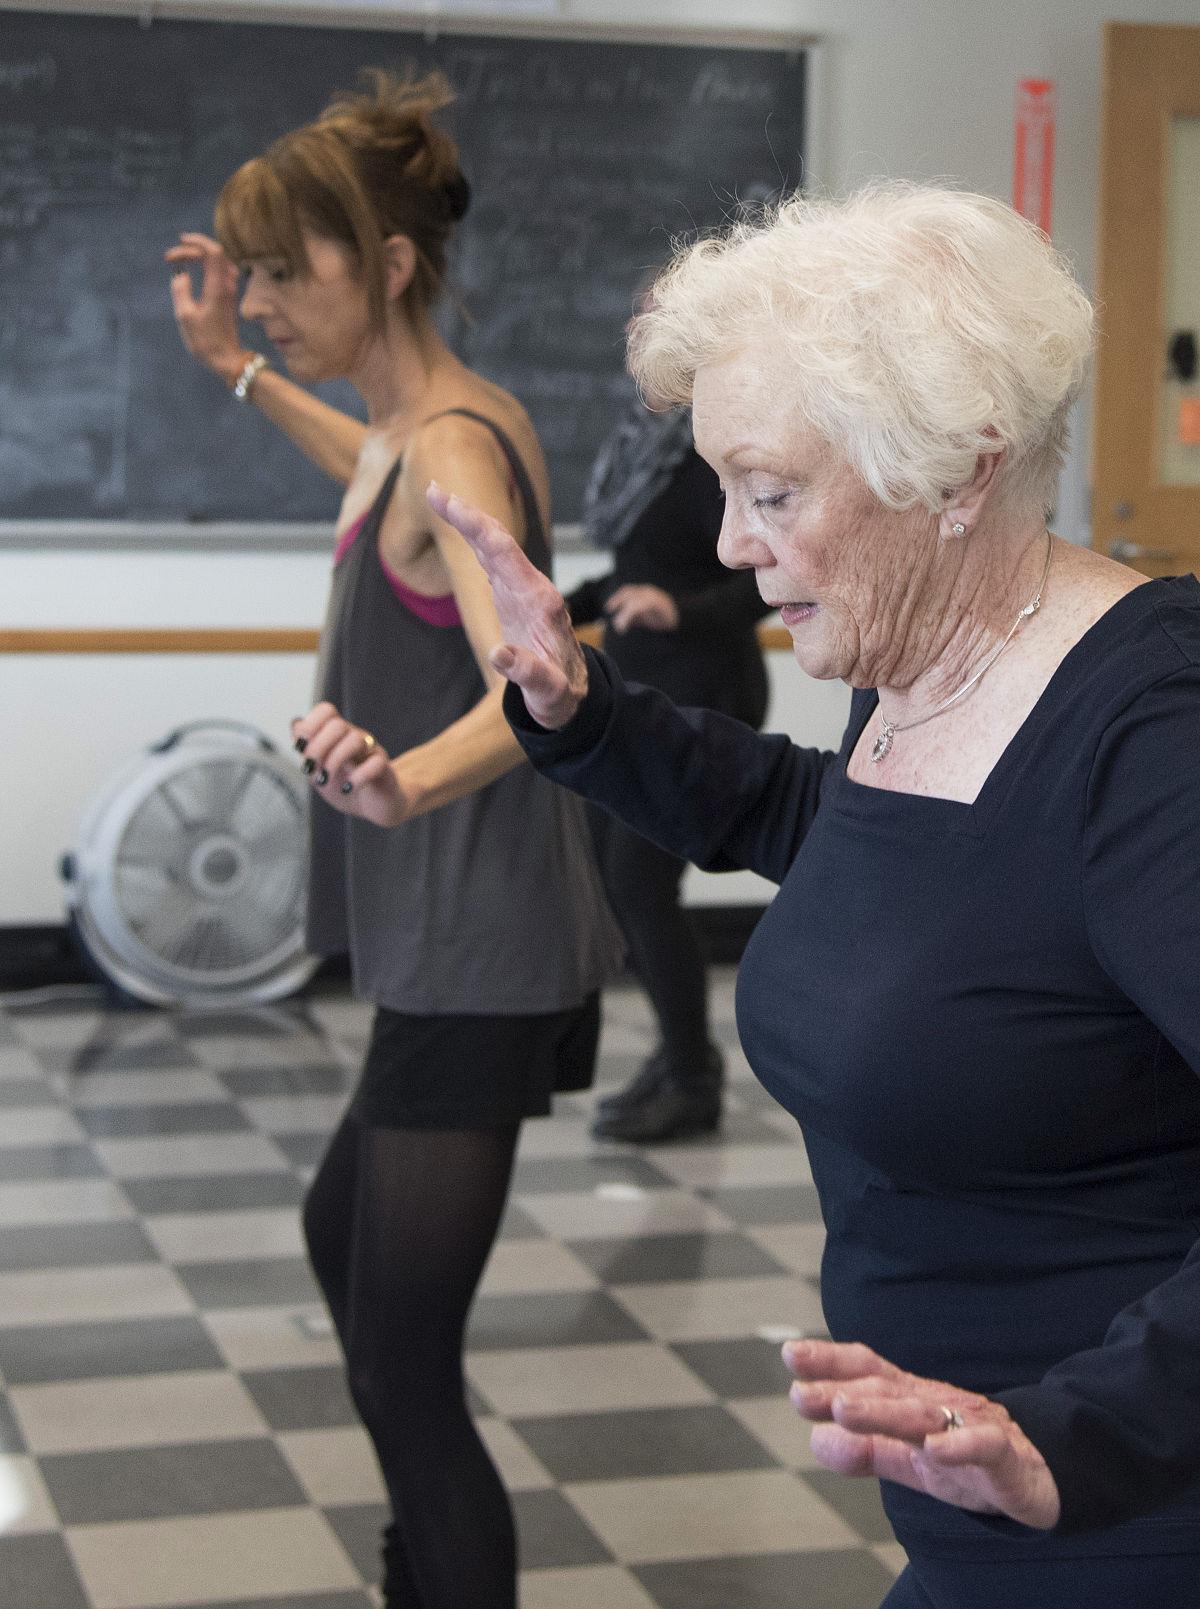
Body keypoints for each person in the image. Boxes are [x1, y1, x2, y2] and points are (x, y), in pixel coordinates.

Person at [427, 182, 1200, 1607]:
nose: (730, 543)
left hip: (1130, 1525)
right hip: (979, 1507)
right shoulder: (925, 669)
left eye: (773, 493)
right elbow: (862, 841)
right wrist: (585, 708)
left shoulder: (1154, 739)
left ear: (958, 471)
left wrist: (1086, 1431)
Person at [166, 71, 621, 1609]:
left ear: (393, 265)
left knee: (404, 1373)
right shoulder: (413, 431)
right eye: (256, 275)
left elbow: (542, 691)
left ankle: (439, 1577)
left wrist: (406, 783)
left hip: (480, 948)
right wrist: (233, 369)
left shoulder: (453, 453)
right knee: (343, 1252)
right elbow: (361, 471)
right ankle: (422, 1566)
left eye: (292, 272)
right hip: (450, 946)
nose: (268, 298)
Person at [566, 399, 772, 1141]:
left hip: (701, 696)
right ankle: (677, 1056)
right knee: (615, 877)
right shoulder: (642, 449)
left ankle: (693, 1078)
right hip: (636, 693)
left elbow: (761, 579)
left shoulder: (719, 453)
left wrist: (677, 611)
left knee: (639, 883)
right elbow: (636, 573)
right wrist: (566, 607)